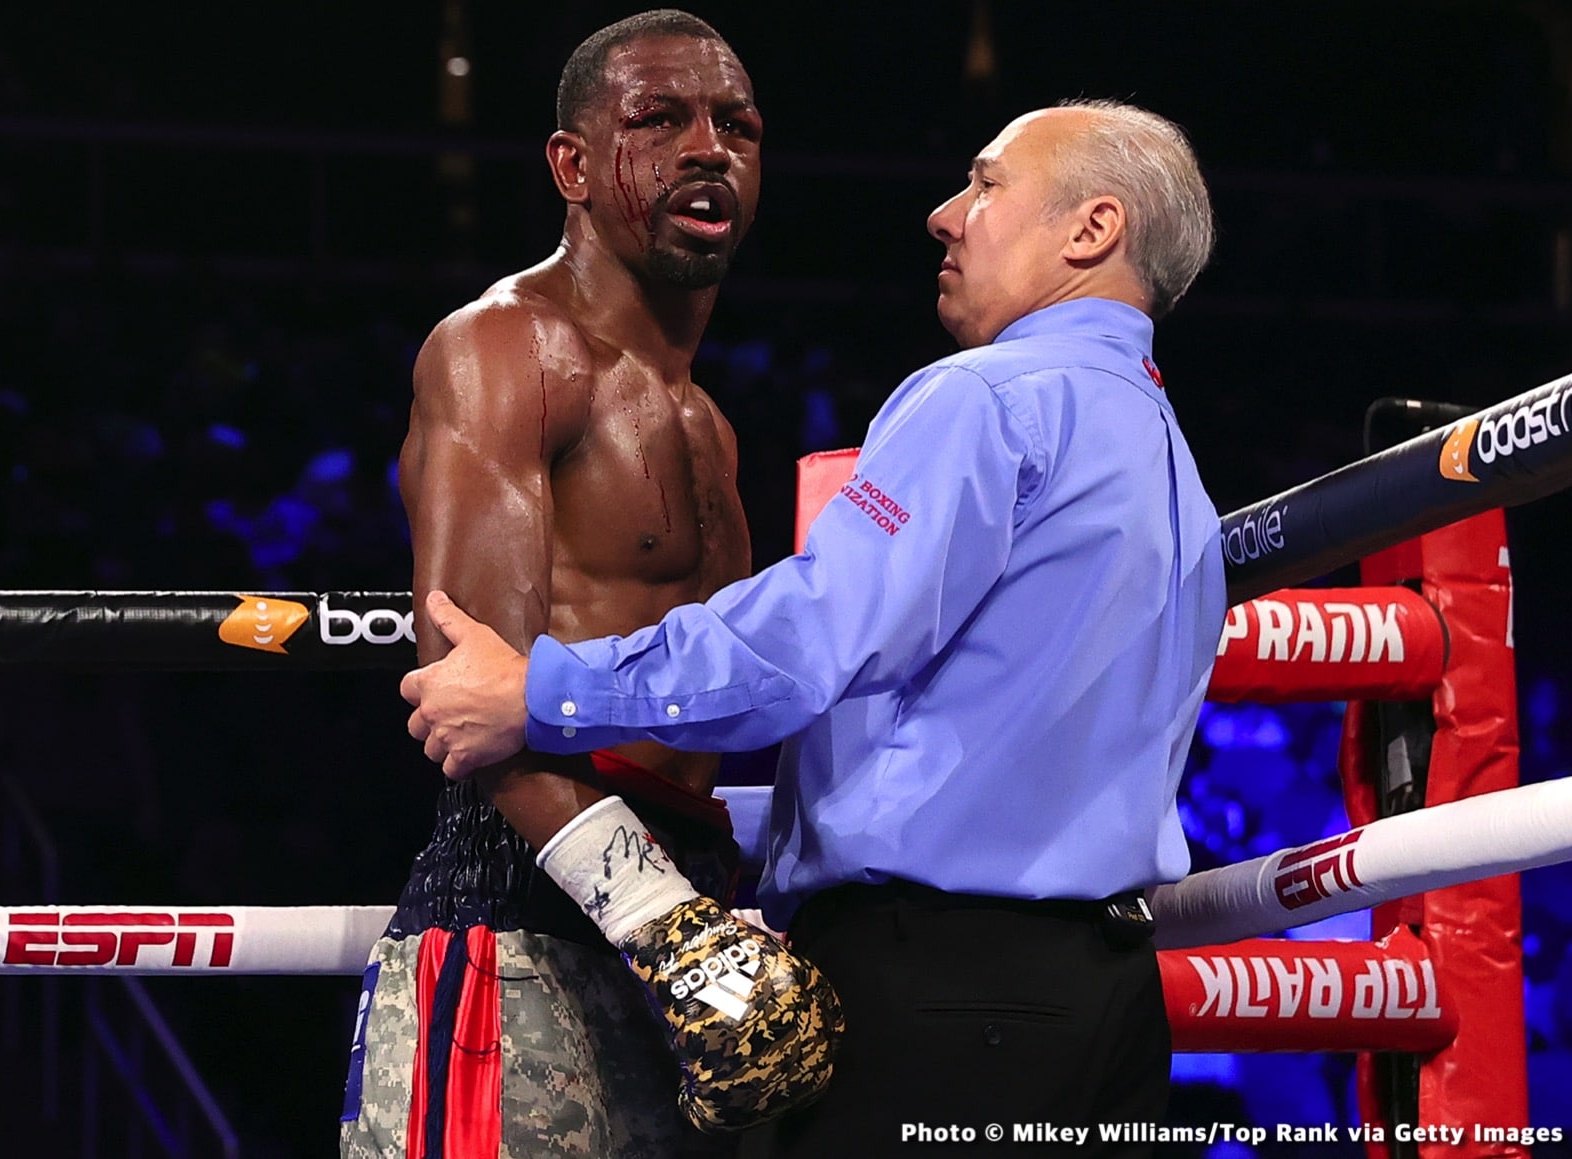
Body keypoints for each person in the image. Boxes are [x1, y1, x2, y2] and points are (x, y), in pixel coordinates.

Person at [402, 98, 1227, 1156]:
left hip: (943, 991)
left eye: (983, 184)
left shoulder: (991, 398)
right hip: (1105, 1004)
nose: (945, 214)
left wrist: (543, 690)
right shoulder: (1168, 455)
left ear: (1091, 230)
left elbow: (813, 634)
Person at [341, 11, 840, 1159]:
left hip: (681, 914)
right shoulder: (505, 349)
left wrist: (688, 922)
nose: (706, 147)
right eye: (658, 120)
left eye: (736, 125)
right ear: (570, 165)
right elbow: (473, 685)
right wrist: (658, 917)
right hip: (528, 907)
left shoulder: (706, 422)